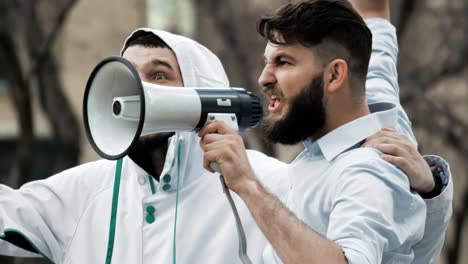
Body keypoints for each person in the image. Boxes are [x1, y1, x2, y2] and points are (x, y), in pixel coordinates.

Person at [0, 3, 451, 264]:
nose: (264, 78)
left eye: (158, 76)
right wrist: (432, 187)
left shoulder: (279, 186)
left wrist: (428, 191)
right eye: (128, 76)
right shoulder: (89, 189)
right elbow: (375, 33)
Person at [199, 0, 452, 263]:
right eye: (267, 62)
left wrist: (247, 185)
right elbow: (374, 16)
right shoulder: (378, 105)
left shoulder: (366, 171)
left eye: (283, 62)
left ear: (334, 75)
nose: (264, 78)